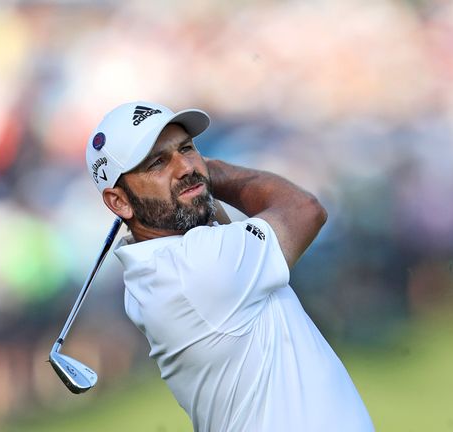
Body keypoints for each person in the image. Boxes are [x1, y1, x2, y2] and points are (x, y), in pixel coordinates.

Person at [86, 101, 374, 432]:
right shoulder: (197, 268)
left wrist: (189, 180)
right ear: (118, 201)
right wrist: (210, 171)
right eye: (157, 163)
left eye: (187, 149)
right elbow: (304, 209)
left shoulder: (153, 265)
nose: (185, 166)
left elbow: (208, 218)